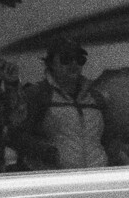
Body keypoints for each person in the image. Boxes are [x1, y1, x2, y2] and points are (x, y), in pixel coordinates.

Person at [17, 38, 111, 170]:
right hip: (55, 181)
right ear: (51, 64)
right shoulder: (38, 94)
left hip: (95, 178)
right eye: (66, 59)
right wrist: (44, 151)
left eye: (79, 59)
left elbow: (110, 138)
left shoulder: (96, 97)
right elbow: (16, 135)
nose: (74, 64)